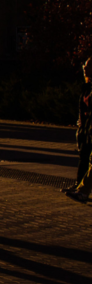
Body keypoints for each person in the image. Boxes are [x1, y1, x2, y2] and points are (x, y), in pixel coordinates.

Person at [64, 57, 92, 202]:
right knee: (85, 157)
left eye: (87, 66)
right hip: (87, 129)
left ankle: (82, 190)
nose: (84, 69)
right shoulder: (87, 86)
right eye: (84, 66)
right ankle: (81, 187)